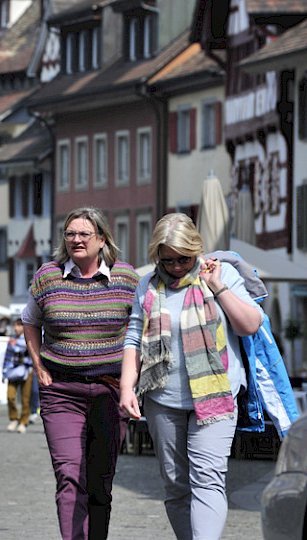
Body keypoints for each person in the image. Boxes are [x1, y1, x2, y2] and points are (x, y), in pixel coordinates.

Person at [119, 213, 263, 540]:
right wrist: (127, 386)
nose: (176, 266)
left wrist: (219, 288)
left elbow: (250, 324)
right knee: (174, 484)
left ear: (196, 250)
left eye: (184, 259)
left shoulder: (220, 274)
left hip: (215, 396)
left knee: (208, 479)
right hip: (162, 399)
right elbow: (134, 338)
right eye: (167, 260)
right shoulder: (147, 285)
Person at [21, 207, 139, 540]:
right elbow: (30, 320)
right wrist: (37, 364)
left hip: (110, 389)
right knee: (70, 475)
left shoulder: (126, 278)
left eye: (84, 234)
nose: (76, 239)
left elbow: (139, 330)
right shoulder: (48, 276)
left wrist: (133, 380)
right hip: (61, 390)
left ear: (102, 239)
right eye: (70, 233)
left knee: (100, 481)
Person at [3, 319, 32, 433]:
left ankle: (24, 421)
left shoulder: (29, 338)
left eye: (19, 326)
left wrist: (17, 345)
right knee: (10, 396)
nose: (16, 328)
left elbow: (29, 351)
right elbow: (7, 357)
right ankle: (13, 419)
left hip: (26, 371)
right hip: (12, 371)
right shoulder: (12, 339)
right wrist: (3, 373)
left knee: (25, 399)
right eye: (15, 325)